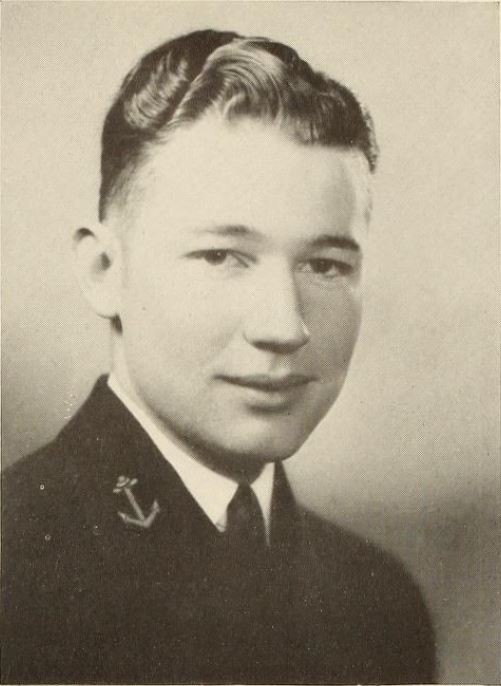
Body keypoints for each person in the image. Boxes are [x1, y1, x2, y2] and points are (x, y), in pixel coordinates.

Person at [1, 29, 436, 684]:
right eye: (222, 256)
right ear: (102, 270)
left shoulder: (376, 602)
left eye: (324, 264)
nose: (283, 325)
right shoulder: (16, 577)